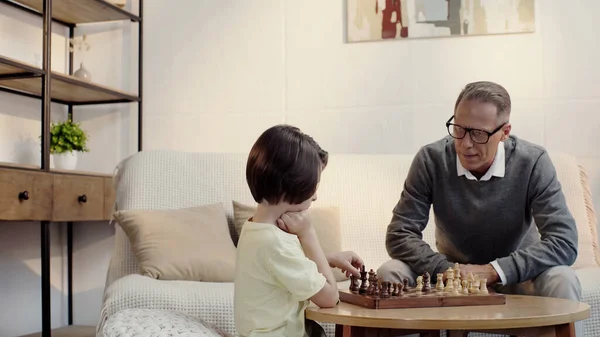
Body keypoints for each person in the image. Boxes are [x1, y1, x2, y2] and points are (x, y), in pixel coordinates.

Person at [378, 80, 581, 305]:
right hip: (450, 276)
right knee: (390, 272)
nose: (465, 144)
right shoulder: (430, 159)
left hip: (517, 276)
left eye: (478, 134)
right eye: (459, 129)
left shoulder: (533, 162)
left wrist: (495, 271)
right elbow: (399, 234)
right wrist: (447, 271)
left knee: (563, 279)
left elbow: (564, 241)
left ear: (504, 132)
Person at [234, 124, 364, 337]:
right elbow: (330, 297)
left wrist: (329, 258)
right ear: (292, 185)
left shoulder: (254, 229)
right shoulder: (276, 243)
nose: (315, 196)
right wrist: (308, 233)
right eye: (314, 186)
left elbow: (279, 267)